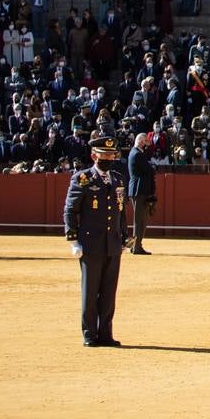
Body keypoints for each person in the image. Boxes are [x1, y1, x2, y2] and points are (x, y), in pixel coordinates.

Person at [64, 134, 129, 347]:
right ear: (94, 156)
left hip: (113, 243)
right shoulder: (83, 179)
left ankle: (105, 334)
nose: (109, 158)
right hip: (91, 244)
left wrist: (124, 237)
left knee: (109, 292)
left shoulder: (118, 179)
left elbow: (121, 211)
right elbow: (70, 210)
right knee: (90, 292)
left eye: (112, 155)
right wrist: (73, 239)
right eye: (105, 155)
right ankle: (89, 334)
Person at [127, 132, 156, 255]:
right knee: (140, 220)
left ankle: (136, 245)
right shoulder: (137, 154)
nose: (146, 143)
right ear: (139, 141)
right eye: (144, 141)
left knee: (141, 219)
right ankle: (136, 246)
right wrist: (152, 168)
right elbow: (149, 170)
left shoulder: (137, 153)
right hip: (139, 190)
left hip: (139, 189)